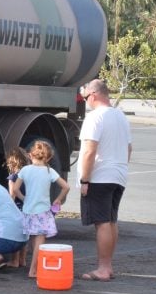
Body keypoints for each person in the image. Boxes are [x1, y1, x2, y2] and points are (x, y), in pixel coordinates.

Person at [77, 79, 132, 281]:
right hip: (118, 175)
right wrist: (121, 168)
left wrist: (85, 179)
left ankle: (103, 268)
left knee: (101, 223)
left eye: (86, 98)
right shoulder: (120, 116)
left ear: (94, 95)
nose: (86, 101)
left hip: (99, 176)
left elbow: (90, 151)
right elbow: (129, 148)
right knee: (110, 221)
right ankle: (108, 266)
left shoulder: (95, 118)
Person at [15, 141, 70, 278]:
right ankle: (33, 270)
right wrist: (58, 199)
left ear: (30, 155)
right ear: (49, 158)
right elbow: (66, 187)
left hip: (28, 211)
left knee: (34, 241)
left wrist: (23, 198)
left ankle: (34, 267)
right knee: (40, 243)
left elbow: (15, 189)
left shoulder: (25, 170)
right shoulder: (49, 171)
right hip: (42, 212)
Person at [5, 147, 30, 267]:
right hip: (28, 208)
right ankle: (23, 260)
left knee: (16, 235)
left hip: (17, 208)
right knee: (25, 235)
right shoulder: (29, 174)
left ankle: (14, 261)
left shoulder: (13, 176)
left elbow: (12, 195)